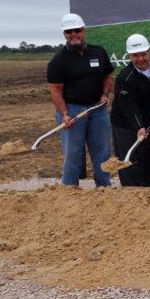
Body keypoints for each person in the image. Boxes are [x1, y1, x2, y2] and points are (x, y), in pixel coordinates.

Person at [45, 12, 113, 187]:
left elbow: (108, 75)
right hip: (72, 110)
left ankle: (104, 188)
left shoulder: (98, 52)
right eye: (69, 31)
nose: (73, 34)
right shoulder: (58, 61)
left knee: (102, 152)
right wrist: (65, 114)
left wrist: (105, 94)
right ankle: (69, 190)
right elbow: (56, 91)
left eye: (76, 30)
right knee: (73, 154)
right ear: (64, 34)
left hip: (97, 110)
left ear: (84, 31)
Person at [111, 33, 150, 187]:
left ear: (149, 52)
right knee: (131, 163)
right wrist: (139, 127)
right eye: (135, 55)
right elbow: (129, 106)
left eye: (143, 54)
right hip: (127, 126)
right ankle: (134, 199)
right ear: (129, 55)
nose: (140, 59)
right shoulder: (125, 78)